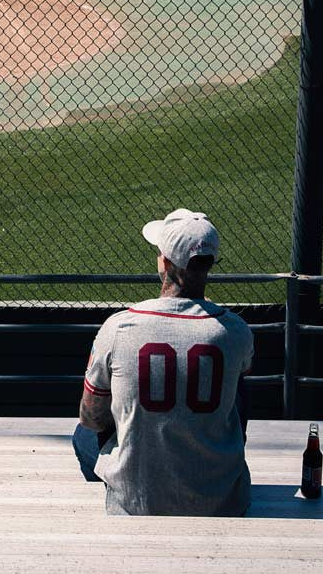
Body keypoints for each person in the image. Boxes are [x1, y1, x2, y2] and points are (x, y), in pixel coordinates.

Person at [74, 208, 254, 516]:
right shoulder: (236, 331)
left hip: (137, 500)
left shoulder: (118, 327)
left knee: (82, 436)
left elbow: (91, 418)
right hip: (221, 500)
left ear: (165, 262)